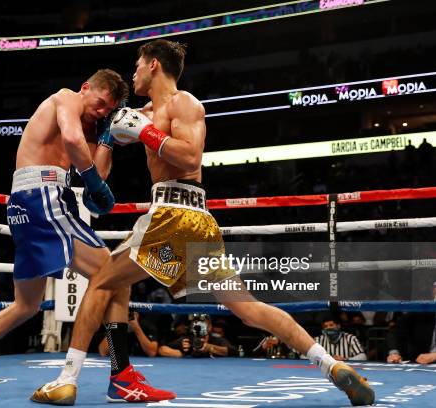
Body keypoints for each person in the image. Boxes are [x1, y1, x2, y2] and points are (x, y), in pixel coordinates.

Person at [32, 39, 374, 406]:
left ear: (153, 66)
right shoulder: (145, 111)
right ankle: (331, 364)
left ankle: (66, 380)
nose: (132, 72)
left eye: (137, 64)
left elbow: (190, 153)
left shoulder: (185, 103)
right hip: (192, 223)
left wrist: (144, 131)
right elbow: (97, 176)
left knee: (101, 282)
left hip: (175, 215)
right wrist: (108, 136)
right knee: (246, 308)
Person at [0, 69, 129, 397]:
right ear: (85, 88)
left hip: (26, 205)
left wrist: (106, 137)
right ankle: (121, 375)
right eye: (100, 103)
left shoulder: (91, 125)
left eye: (108, 110)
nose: (102, 111)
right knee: (113, 272)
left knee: (26, 305)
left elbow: (97, 178)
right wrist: (93, 179)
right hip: (42, 196)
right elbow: (73, 144)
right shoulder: (66, 97)